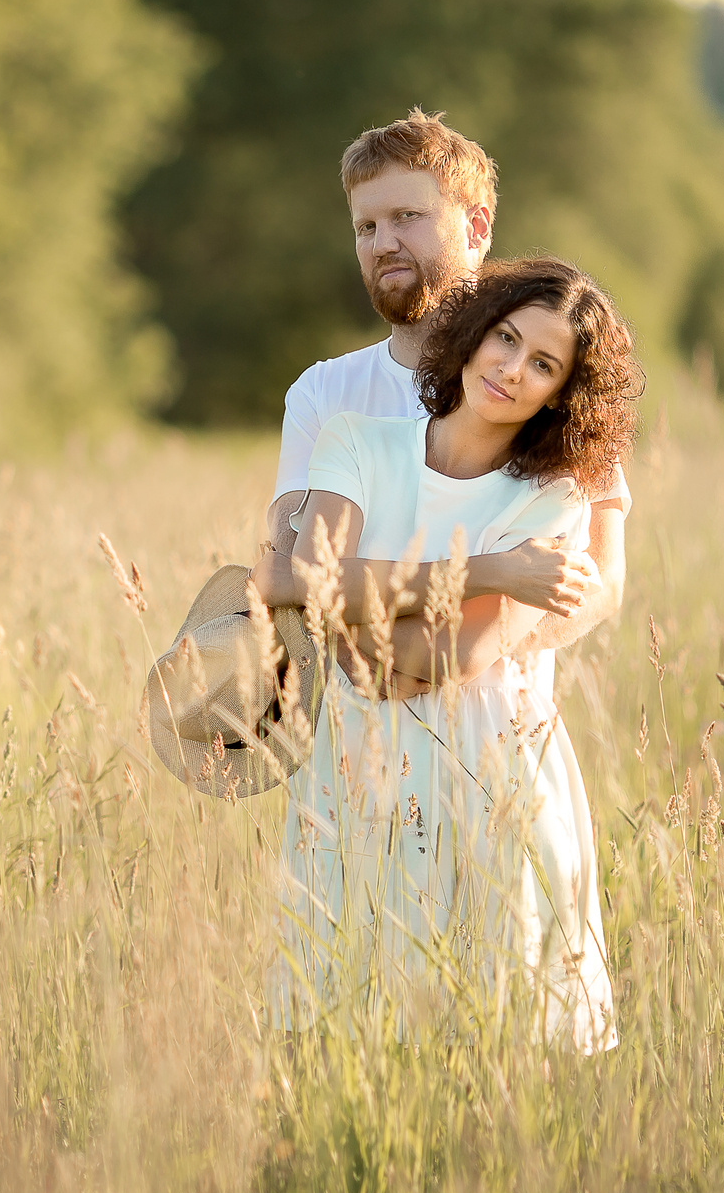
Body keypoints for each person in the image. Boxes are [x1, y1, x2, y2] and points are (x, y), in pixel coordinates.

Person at [256, 254, 643, 1052]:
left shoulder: (556, 494)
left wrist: (350, 610)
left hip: (489, 767)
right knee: (346, 1016)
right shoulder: (356, 441)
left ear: (561, 393)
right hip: (355, 765)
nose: (511, 368)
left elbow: (456, 654)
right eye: (505, 338)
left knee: (491, 1030)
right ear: (471, 334)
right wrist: (489, 570)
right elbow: (307, 579)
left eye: (543, 364)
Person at [249, 110, 628, 695]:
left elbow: (600, 584)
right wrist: (427, 634)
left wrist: (453, 660)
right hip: (350, 749)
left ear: (477, 228)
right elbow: (290, 571)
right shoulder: (323, 393)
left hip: (493, 737)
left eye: (407, 217)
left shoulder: (548, 394)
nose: (383, 244)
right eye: (366, 226)